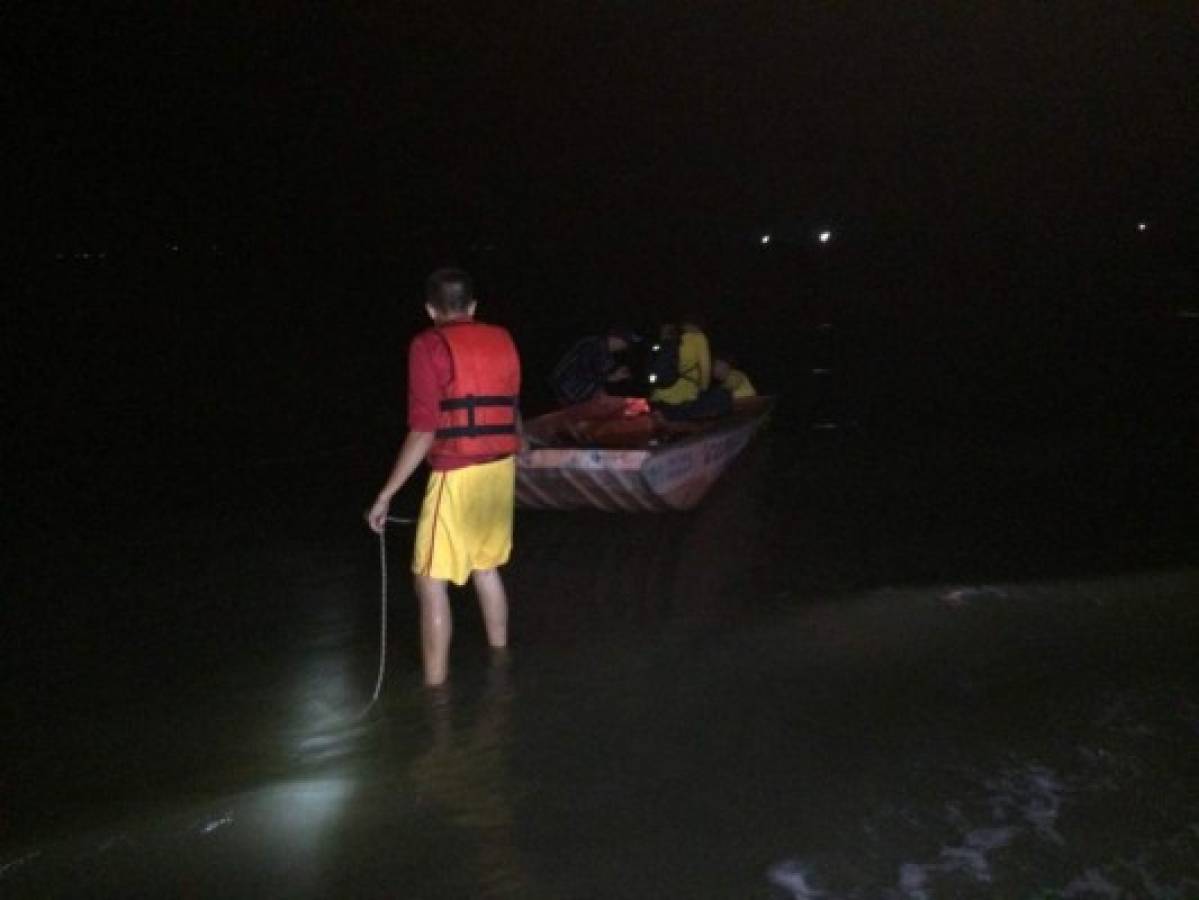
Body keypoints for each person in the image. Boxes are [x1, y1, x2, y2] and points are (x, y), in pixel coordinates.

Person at [366, 268, 521, 686]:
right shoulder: (504, 338)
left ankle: (436, 691)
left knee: (429, 581)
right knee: (486, 568)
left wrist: (385, 496)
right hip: (501, 470)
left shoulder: (427, 344)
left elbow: (423, 430)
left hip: (458, 475)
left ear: (431, 309)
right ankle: (501, 660)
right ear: (472, 307)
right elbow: (511, 409)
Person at [548, 331, 634, 407]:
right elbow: (584, 372)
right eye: (626, 342)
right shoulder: (592, 345)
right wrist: (610, 377)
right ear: (615, 338)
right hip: (566, 391)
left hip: (582, 393)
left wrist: (617, 375)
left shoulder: (608, 357)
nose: (626, 346)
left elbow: (603, 379)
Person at [650, 314, 712, 410]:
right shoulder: (698, 337)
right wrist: (704, 388)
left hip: (660, 391)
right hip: (686, 392)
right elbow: (705, 366)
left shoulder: (670, 336)